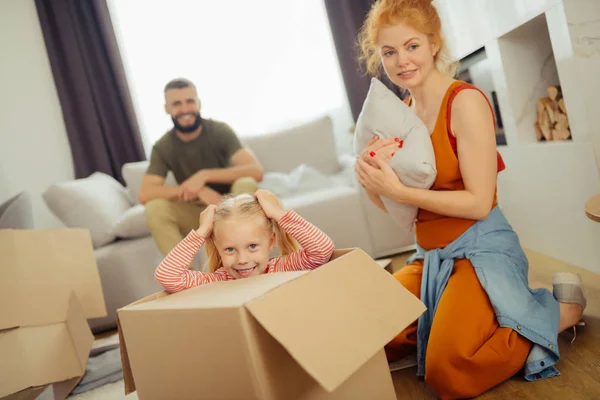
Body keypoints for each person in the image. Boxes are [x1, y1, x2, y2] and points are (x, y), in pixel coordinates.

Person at [354, 1, 586, 398]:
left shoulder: (465, 102)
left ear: (433, 43)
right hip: (429, 256)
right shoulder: (403, 112)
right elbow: (406, 214)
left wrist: (398, 189)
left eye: (411, 46)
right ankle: (482, 316)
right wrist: (373, 182)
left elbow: (479, 204)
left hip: (480, 251)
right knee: (372, 337)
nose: (401, 61)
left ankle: (559, 314)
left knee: (448, 371)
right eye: (389, 52)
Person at [140, 78, 264, 257]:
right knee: (155, 208)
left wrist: (204, 176)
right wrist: (197, 190)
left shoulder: (219, 131)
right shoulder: (163, 146)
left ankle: (247, 257)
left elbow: (255, 170)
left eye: (190, 101)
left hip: (230, 204)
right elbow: (145, 193)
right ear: (167, 108)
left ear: (198, 103)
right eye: (177, 104)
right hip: (198, 213)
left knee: (246, 183)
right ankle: (184, 279)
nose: (185, 109)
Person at [155, 190, 335, 293]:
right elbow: (167, 276)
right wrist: (202, 232)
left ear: (271, 241)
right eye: (230, 249)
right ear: (218, 247)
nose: (242, 259)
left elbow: (323, 250)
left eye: (253, 246)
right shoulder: (219, 281)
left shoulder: (283, 268)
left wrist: (279, 214)